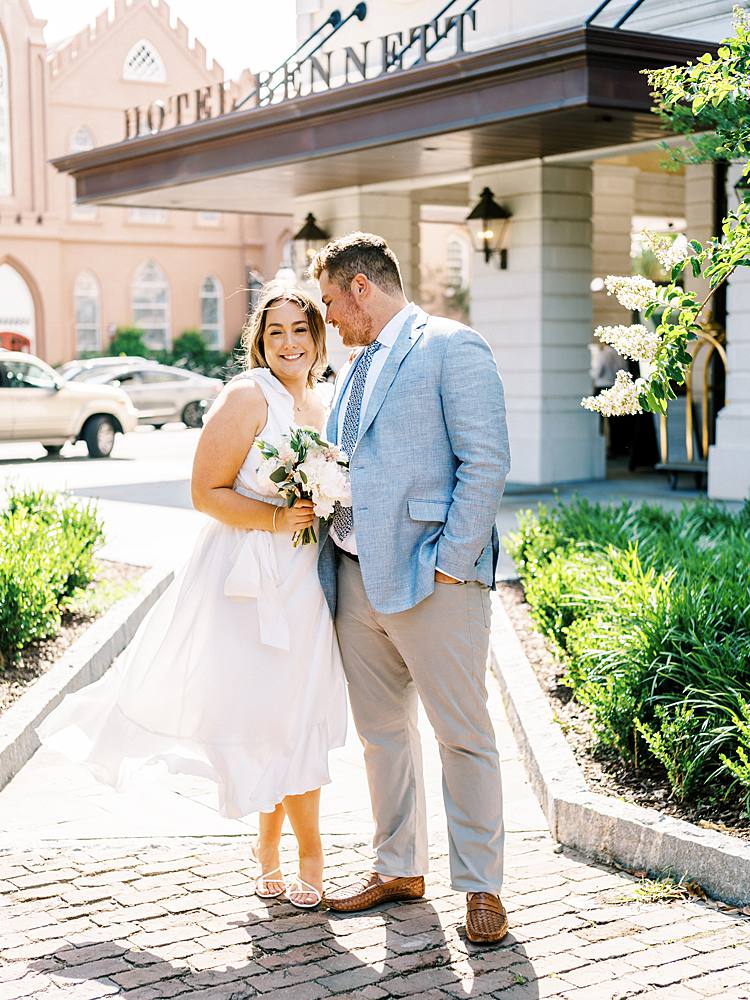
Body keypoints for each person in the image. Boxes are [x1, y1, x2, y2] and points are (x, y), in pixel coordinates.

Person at [38, 283, 347, 910]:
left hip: (307, 580)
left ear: (318, 338)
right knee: (264, 714)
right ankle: (281, 852)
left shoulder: (325, 399)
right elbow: (205, 492)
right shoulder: (245, 396)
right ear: (260, 341)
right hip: (247, 575)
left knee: (298, 711)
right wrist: (273, 519)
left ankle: (297, 852)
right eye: (275, 332)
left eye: (300, 330)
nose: (288, 343)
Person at [310, 232, 511, 944]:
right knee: (382, 736)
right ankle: (398, 867)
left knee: (462, 735)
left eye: (333, 302)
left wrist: (451, 564)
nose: (330, 319)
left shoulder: (453, 347)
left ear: (361, 287)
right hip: (356, 579)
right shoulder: (356, 366)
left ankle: (482, 888)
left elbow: (485, 463)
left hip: (434, 580)